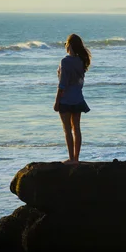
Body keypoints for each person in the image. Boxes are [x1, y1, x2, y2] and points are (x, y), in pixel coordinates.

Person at [54, 33, 91, 164]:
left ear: (69, 45)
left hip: (66, 100)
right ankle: (76, 158)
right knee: (77, 128)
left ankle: (71, 159)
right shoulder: (81, 61)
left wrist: (56, 101)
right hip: (78, 98)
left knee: (67, 130)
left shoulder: (65, 61)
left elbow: (62, 84)